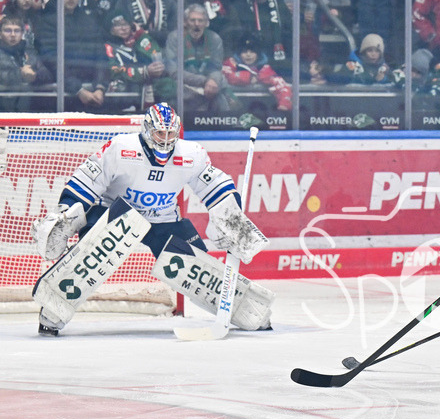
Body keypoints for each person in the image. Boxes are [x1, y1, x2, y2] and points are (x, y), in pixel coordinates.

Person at [30, 103, 273, 336]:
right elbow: (87, 182)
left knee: (196, 269)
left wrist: (231, 220)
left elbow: (217, 187)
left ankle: (249, 311)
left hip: (164, 219)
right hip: (117, 213)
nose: (165, 139)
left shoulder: (191, 154)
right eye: (159, 133)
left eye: (170, 133)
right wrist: (67, 212)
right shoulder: (120, 147)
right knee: (91, 257)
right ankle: (53, 309)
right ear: (147, 131)